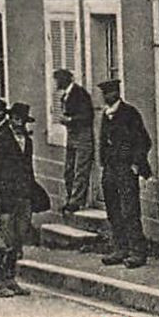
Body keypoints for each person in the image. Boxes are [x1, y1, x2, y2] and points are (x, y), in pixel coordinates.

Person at [97, 79, 153, 268]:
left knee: (129, 210)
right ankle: (120, 248)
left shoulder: (130, 114)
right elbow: (104, 142)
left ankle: (138, 252)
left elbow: (144, 141)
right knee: (113, 210)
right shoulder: (106, 115)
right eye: (105, 93)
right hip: (110, 168)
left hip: (126, 168)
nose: (108, 96)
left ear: (118, 93)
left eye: (112, 92)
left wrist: (136, 163)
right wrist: (104, 163)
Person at [0, 98, 34, 297]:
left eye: (22, 120)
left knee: (18, 241)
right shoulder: (0, 140)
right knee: (3, 242)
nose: (19, 123)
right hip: (5, 199)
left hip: (23, 198)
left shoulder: (27, 141)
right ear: (10, 119)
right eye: (15, 119)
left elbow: (28, 171)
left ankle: (10, 279)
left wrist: (31, 195)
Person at [52, 69, 97, 214]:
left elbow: (87, 115)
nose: (56, 83)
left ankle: (76, 201)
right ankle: (70, 198)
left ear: (65, 80)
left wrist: (70, 120)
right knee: (69, 170)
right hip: (72, 136)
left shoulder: (80, 94)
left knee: (80, 170)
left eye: (57, 80)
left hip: (83, 136)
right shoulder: (66, 95)